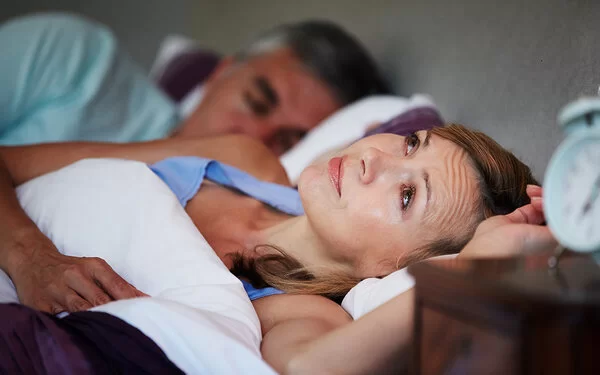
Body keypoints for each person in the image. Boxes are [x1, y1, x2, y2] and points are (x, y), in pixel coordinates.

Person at [0, 123, 555, 373]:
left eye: (406, 195)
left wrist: (474, 273)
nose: (375, 160)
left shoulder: (302, 310)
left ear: (392, 270)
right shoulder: (241, 159)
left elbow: (313, 367)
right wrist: (28, 254)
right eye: (412, 143)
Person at [0, 13, 389, 155]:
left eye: (287, 143)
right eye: (255, 102)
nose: (252, 139)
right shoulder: (75, 56)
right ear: (221, 72)